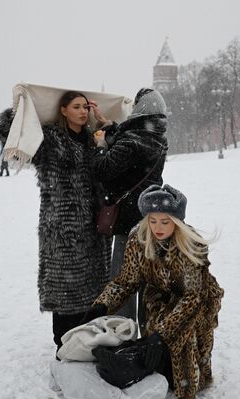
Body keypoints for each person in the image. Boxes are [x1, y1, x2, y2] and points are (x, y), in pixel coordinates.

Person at [81, 184, 223, 399]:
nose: (158, 227)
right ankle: (149, 365)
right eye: (152, 220)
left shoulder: (190, 243)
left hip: (196, 303)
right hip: (157, 299)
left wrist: (162, 335)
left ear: (176, 221)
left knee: (182, 364)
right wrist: (101, 305)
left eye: (165, 221)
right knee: (155, 356)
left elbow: (192, 298)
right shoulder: (138, 238)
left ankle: (189, 377)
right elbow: (126, 281)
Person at [0, 91, 111, 354]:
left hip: (94, 227)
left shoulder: (95, 140)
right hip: (62, 227)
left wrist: (104, 127)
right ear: (63, 110)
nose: (83, 112)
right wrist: (17, 112)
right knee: (66, 288)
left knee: (93, 286)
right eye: (76, 107)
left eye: (85, 107)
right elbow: (14, 139)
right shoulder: (51, 140)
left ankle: (88, 341)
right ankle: (64, 343)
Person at [91, 88, 168, 323]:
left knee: (123, 278)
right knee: (147, 277)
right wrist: (110, 125)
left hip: (127, 219)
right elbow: (128, 143)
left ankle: (121, 331)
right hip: (150, 218)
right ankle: (146, 332)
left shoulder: (133, 141)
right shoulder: (157, 138)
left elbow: (102, 169)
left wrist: (100, 145)